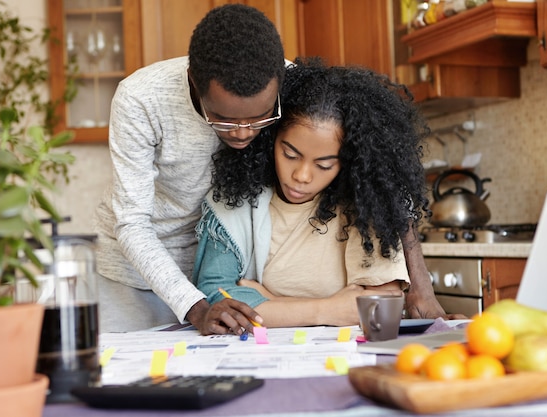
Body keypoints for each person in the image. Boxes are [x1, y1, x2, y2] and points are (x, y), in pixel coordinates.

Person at [192, 58, 454, 327]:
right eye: (290, 154)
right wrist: (327, 310)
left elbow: (378, 307)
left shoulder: (362, 207)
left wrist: (268, 299)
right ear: (269, 138)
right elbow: (217, 300)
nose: (302, 176)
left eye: (324, 164)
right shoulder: (232, 201)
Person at [93, 4, 286, 334]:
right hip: (136, 280)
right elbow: (132, 222)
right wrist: (195, 307)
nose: (242, 133)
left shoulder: (287, 80)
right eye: (223, 119)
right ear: (193, 83)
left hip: (228, 280)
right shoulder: (141, 99)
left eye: (259, 118)